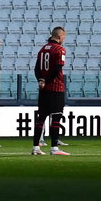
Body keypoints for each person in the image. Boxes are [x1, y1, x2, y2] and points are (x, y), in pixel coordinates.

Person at [31, 27, 70, 156]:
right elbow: (57, 68)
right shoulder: (60, 49)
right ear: (59, 36)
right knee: (56, 117)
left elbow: (36, 68)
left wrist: (41, 80)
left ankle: (35, 147)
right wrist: (46, 80)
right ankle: (54, 148)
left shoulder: (42, 49)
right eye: (64, 37)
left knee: (41, 118)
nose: (64, 39)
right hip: (55, 87)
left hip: (43, 89)